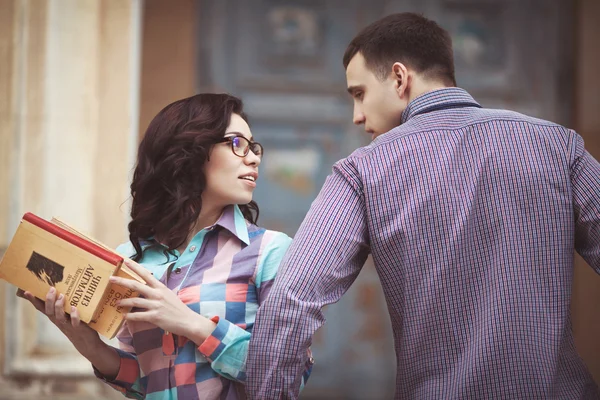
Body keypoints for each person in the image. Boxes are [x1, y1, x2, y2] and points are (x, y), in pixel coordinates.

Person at [246, 12, 600, 399]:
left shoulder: (364, 170)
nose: (357, 116)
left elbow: (289, 304)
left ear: (399, 78)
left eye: (360, 93)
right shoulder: (557, 146)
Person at [18, 93, 311, 400]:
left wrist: (191, 324)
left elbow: (286, 375)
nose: (253, 157)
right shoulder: (131, 261)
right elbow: (146, 382)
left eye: (253, 147)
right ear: (191, 151)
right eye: (237, 144)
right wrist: (88, 345)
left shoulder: (268, 251)